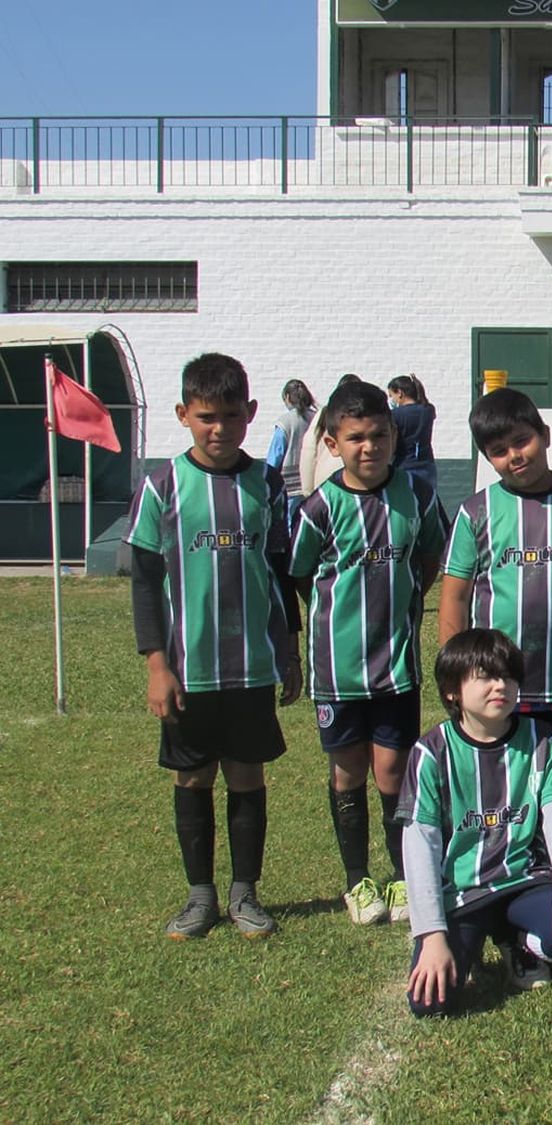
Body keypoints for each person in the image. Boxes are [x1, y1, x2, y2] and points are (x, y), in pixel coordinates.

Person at [125, 352, 301, 939]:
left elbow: (279, 574)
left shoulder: (267, 484)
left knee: (247, 775)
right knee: (193, 778)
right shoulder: (162, 485)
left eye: (230, 415)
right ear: (183, 414)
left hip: (250, 667)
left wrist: (290, 651)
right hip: (188, 668)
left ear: (250, 413)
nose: (218, 428)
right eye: (206, 416)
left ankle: (245, 895)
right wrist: (157, 664)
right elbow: (147, 582)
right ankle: (199, 896)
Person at [290, 380, 446, 926]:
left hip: (396, 665)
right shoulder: (319, 507)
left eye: (379, 435)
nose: (368, 447)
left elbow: (430, 559)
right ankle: (357, 881)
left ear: (393, 436)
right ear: (333, 443)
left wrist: (402, 605)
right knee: (347, 771)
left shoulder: (418, 496)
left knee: (393, 772)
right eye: (355, 438)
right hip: (337, 670)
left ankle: (403, 878)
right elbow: (302, 574)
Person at [439, 387, 552, 837]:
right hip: (492, 681)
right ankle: (505, 864)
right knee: (502, 778)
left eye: (522, 441)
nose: (514, 456)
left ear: (546, 434)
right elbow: (455, 597)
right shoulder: (475, 512)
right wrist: (454, 671)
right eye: (499, 451)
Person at [401, 628, 552, 1016]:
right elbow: (419, 845)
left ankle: (519, 941)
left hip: (524, 881)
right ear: (452, 691)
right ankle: (469, 940)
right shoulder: (431, 751)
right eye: (485, 677)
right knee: (429, 1003)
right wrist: (432, 936)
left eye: (507, 677)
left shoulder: (542, 740)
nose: (500, 686)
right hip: (462, 895)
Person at [266, 379, 317, 533]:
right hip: (314, 479)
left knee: (289, 524)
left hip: (290, 484)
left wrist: (268, 478)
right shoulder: (316, 418)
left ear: (287, 397)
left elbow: (276, 455)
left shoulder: (285, 422)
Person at [299, 373, 362, 496]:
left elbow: (309, 451)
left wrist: (308, 491)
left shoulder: (325, 412)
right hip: (356, 484)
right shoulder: (364, 415)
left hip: (325, 482)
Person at [388, 374, 438, 493]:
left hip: (404, 465)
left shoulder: (396, 414)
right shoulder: (429, 410)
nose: (392, 400)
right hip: (427, 464)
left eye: (391, 395)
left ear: (399, 392)